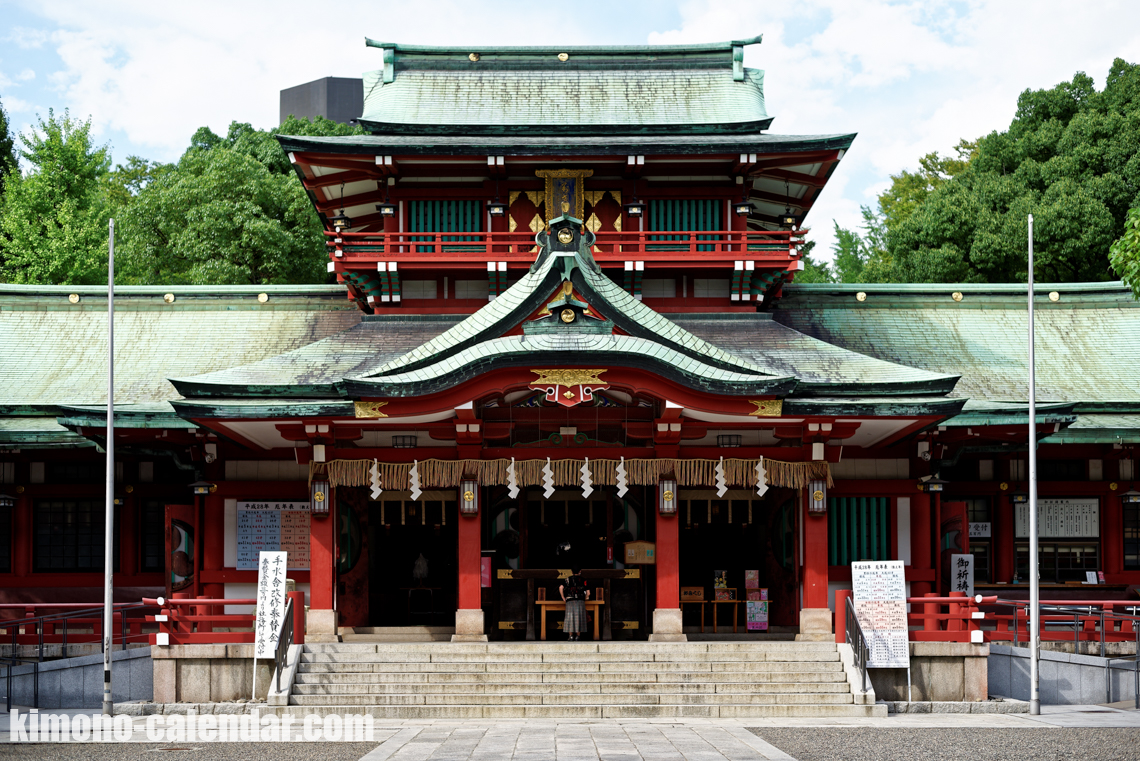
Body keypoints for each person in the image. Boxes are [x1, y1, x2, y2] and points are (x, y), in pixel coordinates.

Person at [560, 567, 590, 641]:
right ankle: (578, 636)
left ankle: (570, 636)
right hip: (580, 600)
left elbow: (561, 587)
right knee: (579, 617)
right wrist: (585, 597)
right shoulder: (583, 580)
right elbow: (588, 592)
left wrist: (563, 597)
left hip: (570, 600)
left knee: (570, 617)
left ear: (571, 571)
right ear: (580, 571)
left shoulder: (568, 579)